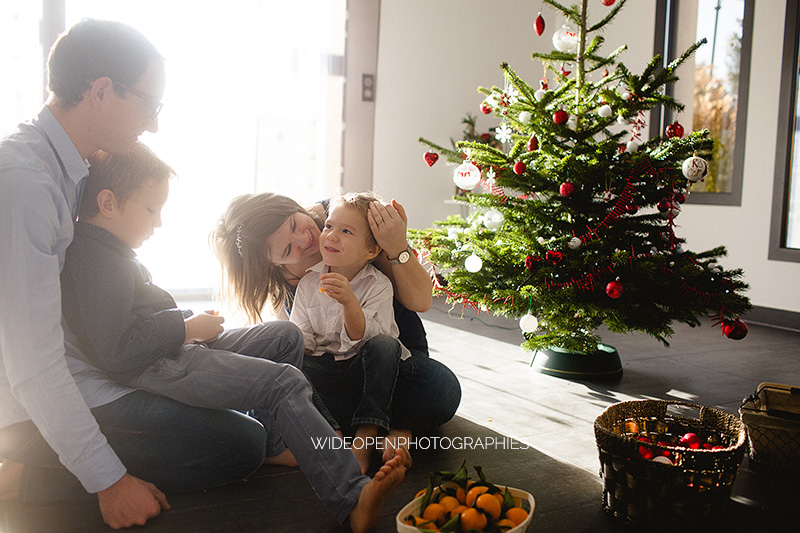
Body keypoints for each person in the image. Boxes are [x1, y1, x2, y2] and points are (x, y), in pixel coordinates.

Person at [0, 20, 405, 532]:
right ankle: (347, 489)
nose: (153, 124)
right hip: (90, 384)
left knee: (281, 346)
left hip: (129, 355)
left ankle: (316, 449)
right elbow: (41, 361)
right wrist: (108, 481)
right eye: (151, 104)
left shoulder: (79, 172)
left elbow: (110, 304)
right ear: (102, 90)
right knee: (248, 434)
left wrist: (181, 322)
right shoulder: (26, 187)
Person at [58, 141, 407, 528]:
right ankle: (351, 497)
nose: (157, 222)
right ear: (107, 203)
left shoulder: (108, 251)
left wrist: (187, 323)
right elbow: (118, 350)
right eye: (151, 209)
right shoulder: (97, 260)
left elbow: (133, 318)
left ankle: (275, 444)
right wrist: (184, 327)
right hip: (158, 363)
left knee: (284, 336)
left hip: (176, 347)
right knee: (283, 382)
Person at [212, 192, 462, 464]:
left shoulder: (347, 219)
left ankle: (387, 429)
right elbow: (297, 354)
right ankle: (364, 427)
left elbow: (420, 302)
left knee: (440, 386)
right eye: (286, 250)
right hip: (335, 375)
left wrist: (396, 246)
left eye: (295, 224)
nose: (305, 240)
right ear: (270, 263)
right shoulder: (288, 284)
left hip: (390, 365)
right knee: (283, 381)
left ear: (293, 205)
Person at [290, 192, 410, 473]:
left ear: (370, 251)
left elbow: (370, 341)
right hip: (326, 375)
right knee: (293, 364)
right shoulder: (308, 284)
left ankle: (366, 435)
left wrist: (349, 302)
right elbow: (303, 342)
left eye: (346, 231)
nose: (330, 236)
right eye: (329, 226)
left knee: (385, 346)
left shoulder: (377, 285)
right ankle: (333, 433)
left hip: (365, 374)